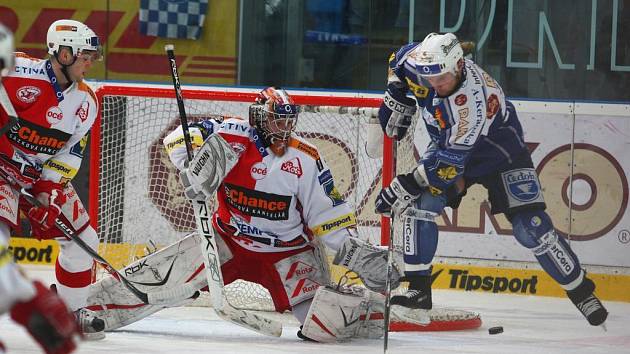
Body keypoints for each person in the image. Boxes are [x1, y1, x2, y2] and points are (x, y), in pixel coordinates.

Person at [84, 87, 405, 342]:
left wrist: (353, 255)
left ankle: (374, 309)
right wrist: (191, 166)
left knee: (325, 324)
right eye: (277, 120)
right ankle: (84, 308)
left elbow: (327, 214)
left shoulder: (306, 158)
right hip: (225, 242)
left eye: (288, 121)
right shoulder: (229, 134)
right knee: (154, 280)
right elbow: (176, 139)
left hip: (287, 255)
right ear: (260, 118)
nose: (284, 128)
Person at [374, 32, 608, 327]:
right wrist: (395, 93)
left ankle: (581, 291)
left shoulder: (472, 104)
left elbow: (448, 166)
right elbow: (396, 61)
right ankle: (419, 293)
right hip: (451, 147)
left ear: (459, 66)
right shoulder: (422, 62)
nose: (434, 84)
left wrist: (404, 183)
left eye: (441, 78)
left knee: (531, 228)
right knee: (420, 206)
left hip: (501, 156)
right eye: (428, 76)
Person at [0, 19, 106, 339]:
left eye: (92, 56)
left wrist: (50, 194)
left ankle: (71, 313)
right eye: (84, 55)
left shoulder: (87, 102)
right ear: (62, 53)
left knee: (84, 242)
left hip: (35, 176)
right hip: (1, 172)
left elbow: (68, 155)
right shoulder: (16, 71)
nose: (89, 62)